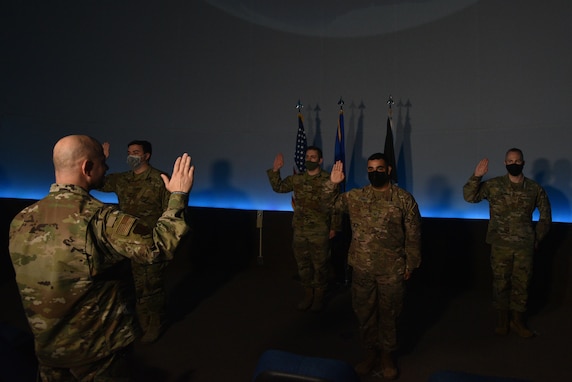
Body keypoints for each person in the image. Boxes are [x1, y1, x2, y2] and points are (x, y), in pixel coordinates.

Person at [9, 135, 194, 381]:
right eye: (102, 164)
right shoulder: (101, 220)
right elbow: (157, 247)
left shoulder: (21, 219)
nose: (107, 168)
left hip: (48, 353)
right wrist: (178, 195)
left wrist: (93, 159)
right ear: (87, 167)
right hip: (97, 355)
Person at [327, 153, 421, 380]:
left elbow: (414, 234)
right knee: (364, 313)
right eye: (370, 169)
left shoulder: (403, 199)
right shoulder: (356, 196)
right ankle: (370, 354)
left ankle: (387, 355)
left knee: (390, 314)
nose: (374, 172)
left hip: (392, 269)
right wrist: (332, 184)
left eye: (379, 168)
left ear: (388, 170)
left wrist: (411, 264)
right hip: (362, 268)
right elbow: (328, 206)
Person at [463, 148, 551, 338]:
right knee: (500, 283)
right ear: (505, 163)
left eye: (517, 161)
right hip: (500, 244)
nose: (514, 163)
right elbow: (470, 197)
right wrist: (476, 176)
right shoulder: (494, 185)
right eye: (510, 160)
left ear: (523, 163)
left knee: (522, 283)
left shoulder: (534, 188)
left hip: (524, 246)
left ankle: (517, 321)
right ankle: (502, 320)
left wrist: (537, 237)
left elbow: (546, 216)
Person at [99, 140, 172, 343]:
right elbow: (96, 182)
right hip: (123, 242)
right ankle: (139, 324)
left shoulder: (160, 179)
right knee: (130, 286)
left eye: (136, 152)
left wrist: (164, 242)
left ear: (146, 155)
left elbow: (172, 211)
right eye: (129, 152)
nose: (132, 155)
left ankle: (154, 324)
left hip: (149, 243)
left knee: (150, 287)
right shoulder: (122, 179)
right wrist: (101, 160)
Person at [267, 146, 339, 312]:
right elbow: (279, 187)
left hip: (320, 230)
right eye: (307, 156)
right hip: (300, 229)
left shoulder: (329, 179)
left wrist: (334, 227)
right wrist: (276, 170)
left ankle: (319, 297)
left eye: (313, 157)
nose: (309, 159)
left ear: (320, 160)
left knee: (320, 266)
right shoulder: (298, 179)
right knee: (303, 265)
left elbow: (336, 206)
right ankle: (308, 294)